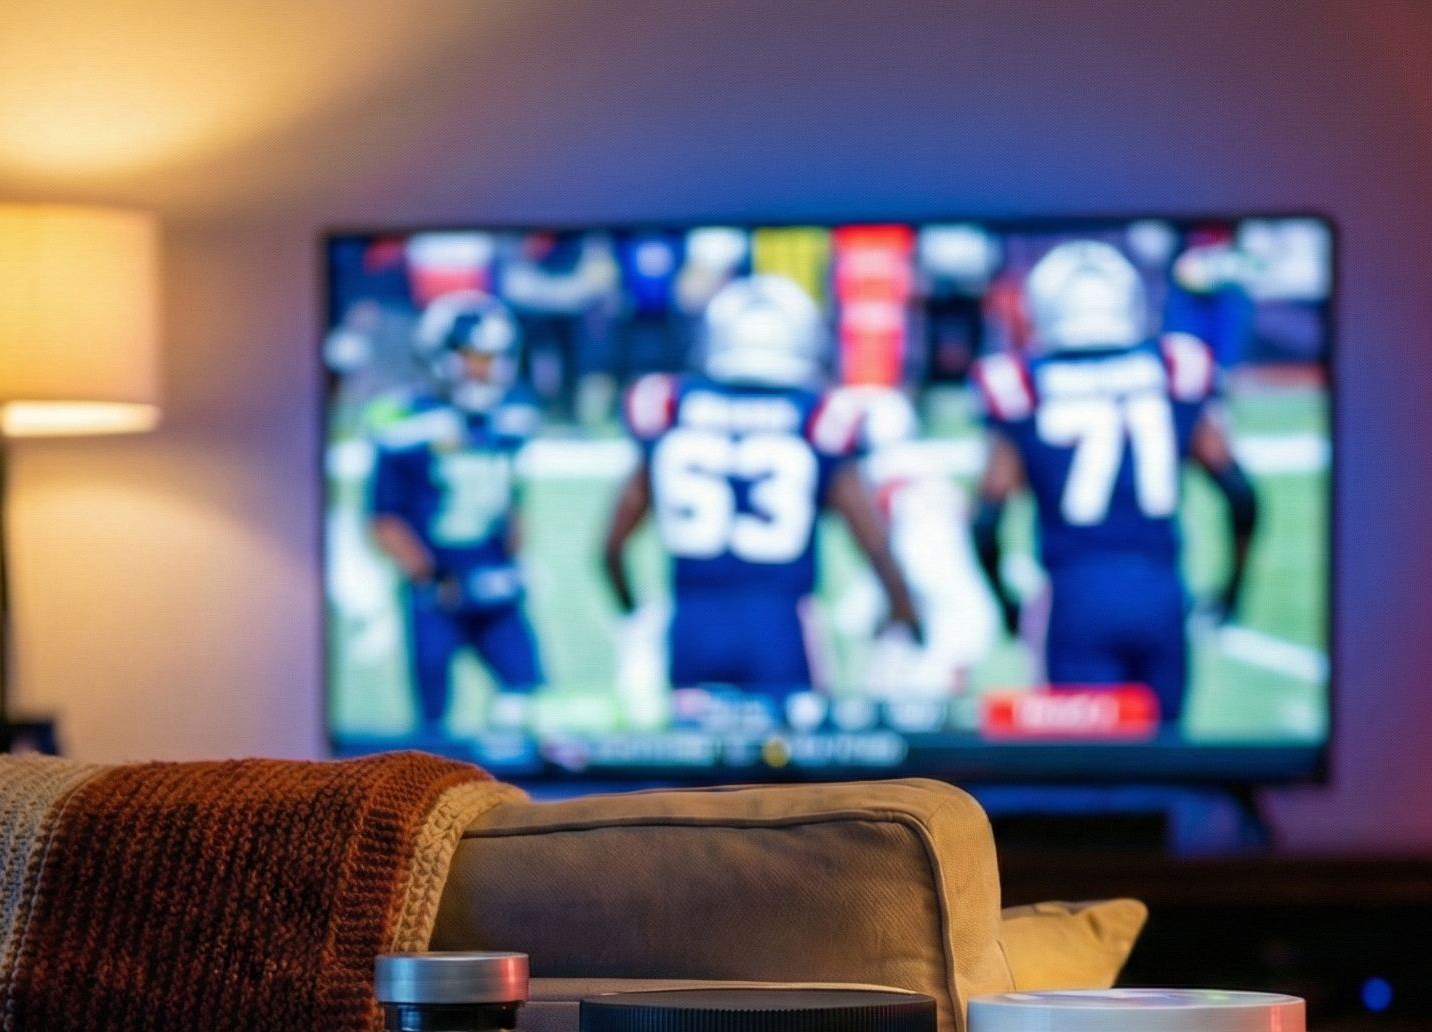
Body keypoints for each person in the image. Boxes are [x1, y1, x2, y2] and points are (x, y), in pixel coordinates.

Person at [969, 240, 1261, 725]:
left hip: (1075, 595)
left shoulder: (1021, 383)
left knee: (1087, 757)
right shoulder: (1175, 367)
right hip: (1161, 591)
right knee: (1164, 748)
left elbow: (985, 520)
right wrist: (1233, 588)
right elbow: (1240, 493)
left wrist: (1006, 604)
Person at [599, 275, 920, 697]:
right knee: (791, 738)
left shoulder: (670, 405)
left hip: (691, 622)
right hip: (781, 624)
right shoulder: (817, 415)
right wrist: (904, 610)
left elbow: (611, 546)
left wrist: (635, 612)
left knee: (693, 739)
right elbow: (872, 540)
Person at [368, 291, 543, 732]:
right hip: (438, 591)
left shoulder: (510, 414)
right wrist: (430, 576)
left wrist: (516, 558)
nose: (486, 369)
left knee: (530, 702)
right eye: (474, 356)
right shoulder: (403, 419)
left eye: (494, 357)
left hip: (496, 585)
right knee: (433, 724)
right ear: (441, 353)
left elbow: (511, 497)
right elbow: (384, 518)